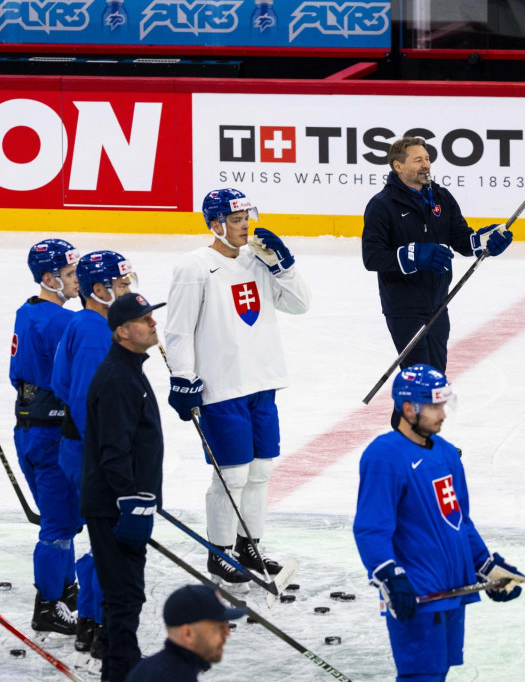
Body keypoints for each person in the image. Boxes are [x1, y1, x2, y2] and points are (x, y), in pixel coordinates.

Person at [163, 188, 310, 585]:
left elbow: (299, 305)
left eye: (247, 215)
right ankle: (220, 552)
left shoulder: (258, 259)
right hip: (221, 386)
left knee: (261, 470)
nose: (245, 224)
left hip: (263, 381)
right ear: (215, 224)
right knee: (232, 475)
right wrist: (183, 377)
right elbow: (178, 330)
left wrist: (284, 266)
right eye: (235, 218)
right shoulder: (194, 266)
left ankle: (249, 545)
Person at [353, 364, 525, 682]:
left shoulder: (447, 454)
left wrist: (486, 566)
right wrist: (391, 578)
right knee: (421, 676)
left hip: (451, 589)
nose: (442, 414)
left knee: (438, 673)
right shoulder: (384, 457)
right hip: (416, 591)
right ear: (408, 408)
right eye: (434, 406)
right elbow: (370, 528)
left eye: (443, 404)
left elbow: (459, 521)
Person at [362, 136, 514, 374]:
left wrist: (483, 241)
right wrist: (414, 256)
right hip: (404, 307)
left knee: (435, 379)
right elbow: (372, 257)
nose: (426, 165)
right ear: (398, 166)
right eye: (417, 160)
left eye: (427, 158)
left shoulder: (441, 197)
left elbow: (461, 239)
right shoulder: (382, 205)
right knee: (421, 380)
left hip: (438, 303)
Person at [51, 249, 134, 655]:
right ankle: (100, 626)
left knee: (105, 540)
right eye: (121, 285)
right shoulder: (92, 332)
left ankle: (90, 621)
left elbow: (62, 384)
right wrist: (109, 457)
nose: (128, 290)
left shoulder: (90, 323)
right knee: (112, 543)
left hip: (86, 451)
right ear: (99, 289)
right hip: (93, 456)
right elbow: (85, 400)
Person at [80, 293, 165, 682]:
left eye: (151, 317)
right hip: (115, 509)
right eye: (143, 319)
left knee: (126, 597)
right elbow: (114, 451)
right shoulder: (117, 378)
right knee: (123, 599)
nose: (152, 323)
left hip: (128, 506)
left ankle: (121, 672)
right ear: (121, 332)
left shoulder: (130, 370)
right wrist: (131, 502)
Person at [9, 239, 82, 636]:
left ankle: (65, 588)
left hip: (30, 429)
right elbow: (73, 383)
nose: (77, 281)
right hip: (52, 435)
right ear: (50, 278)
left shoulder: (28, 312)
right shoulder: (62, 322)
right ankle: (48, 606)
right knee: (57, 525)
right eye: (70, 275)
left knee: (63, 520)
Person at [123, 584, 245, 682]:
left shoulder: (157, 667)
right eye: (219, 628)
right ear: (187, 633)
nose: (227, 634)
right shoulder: (175, 676)